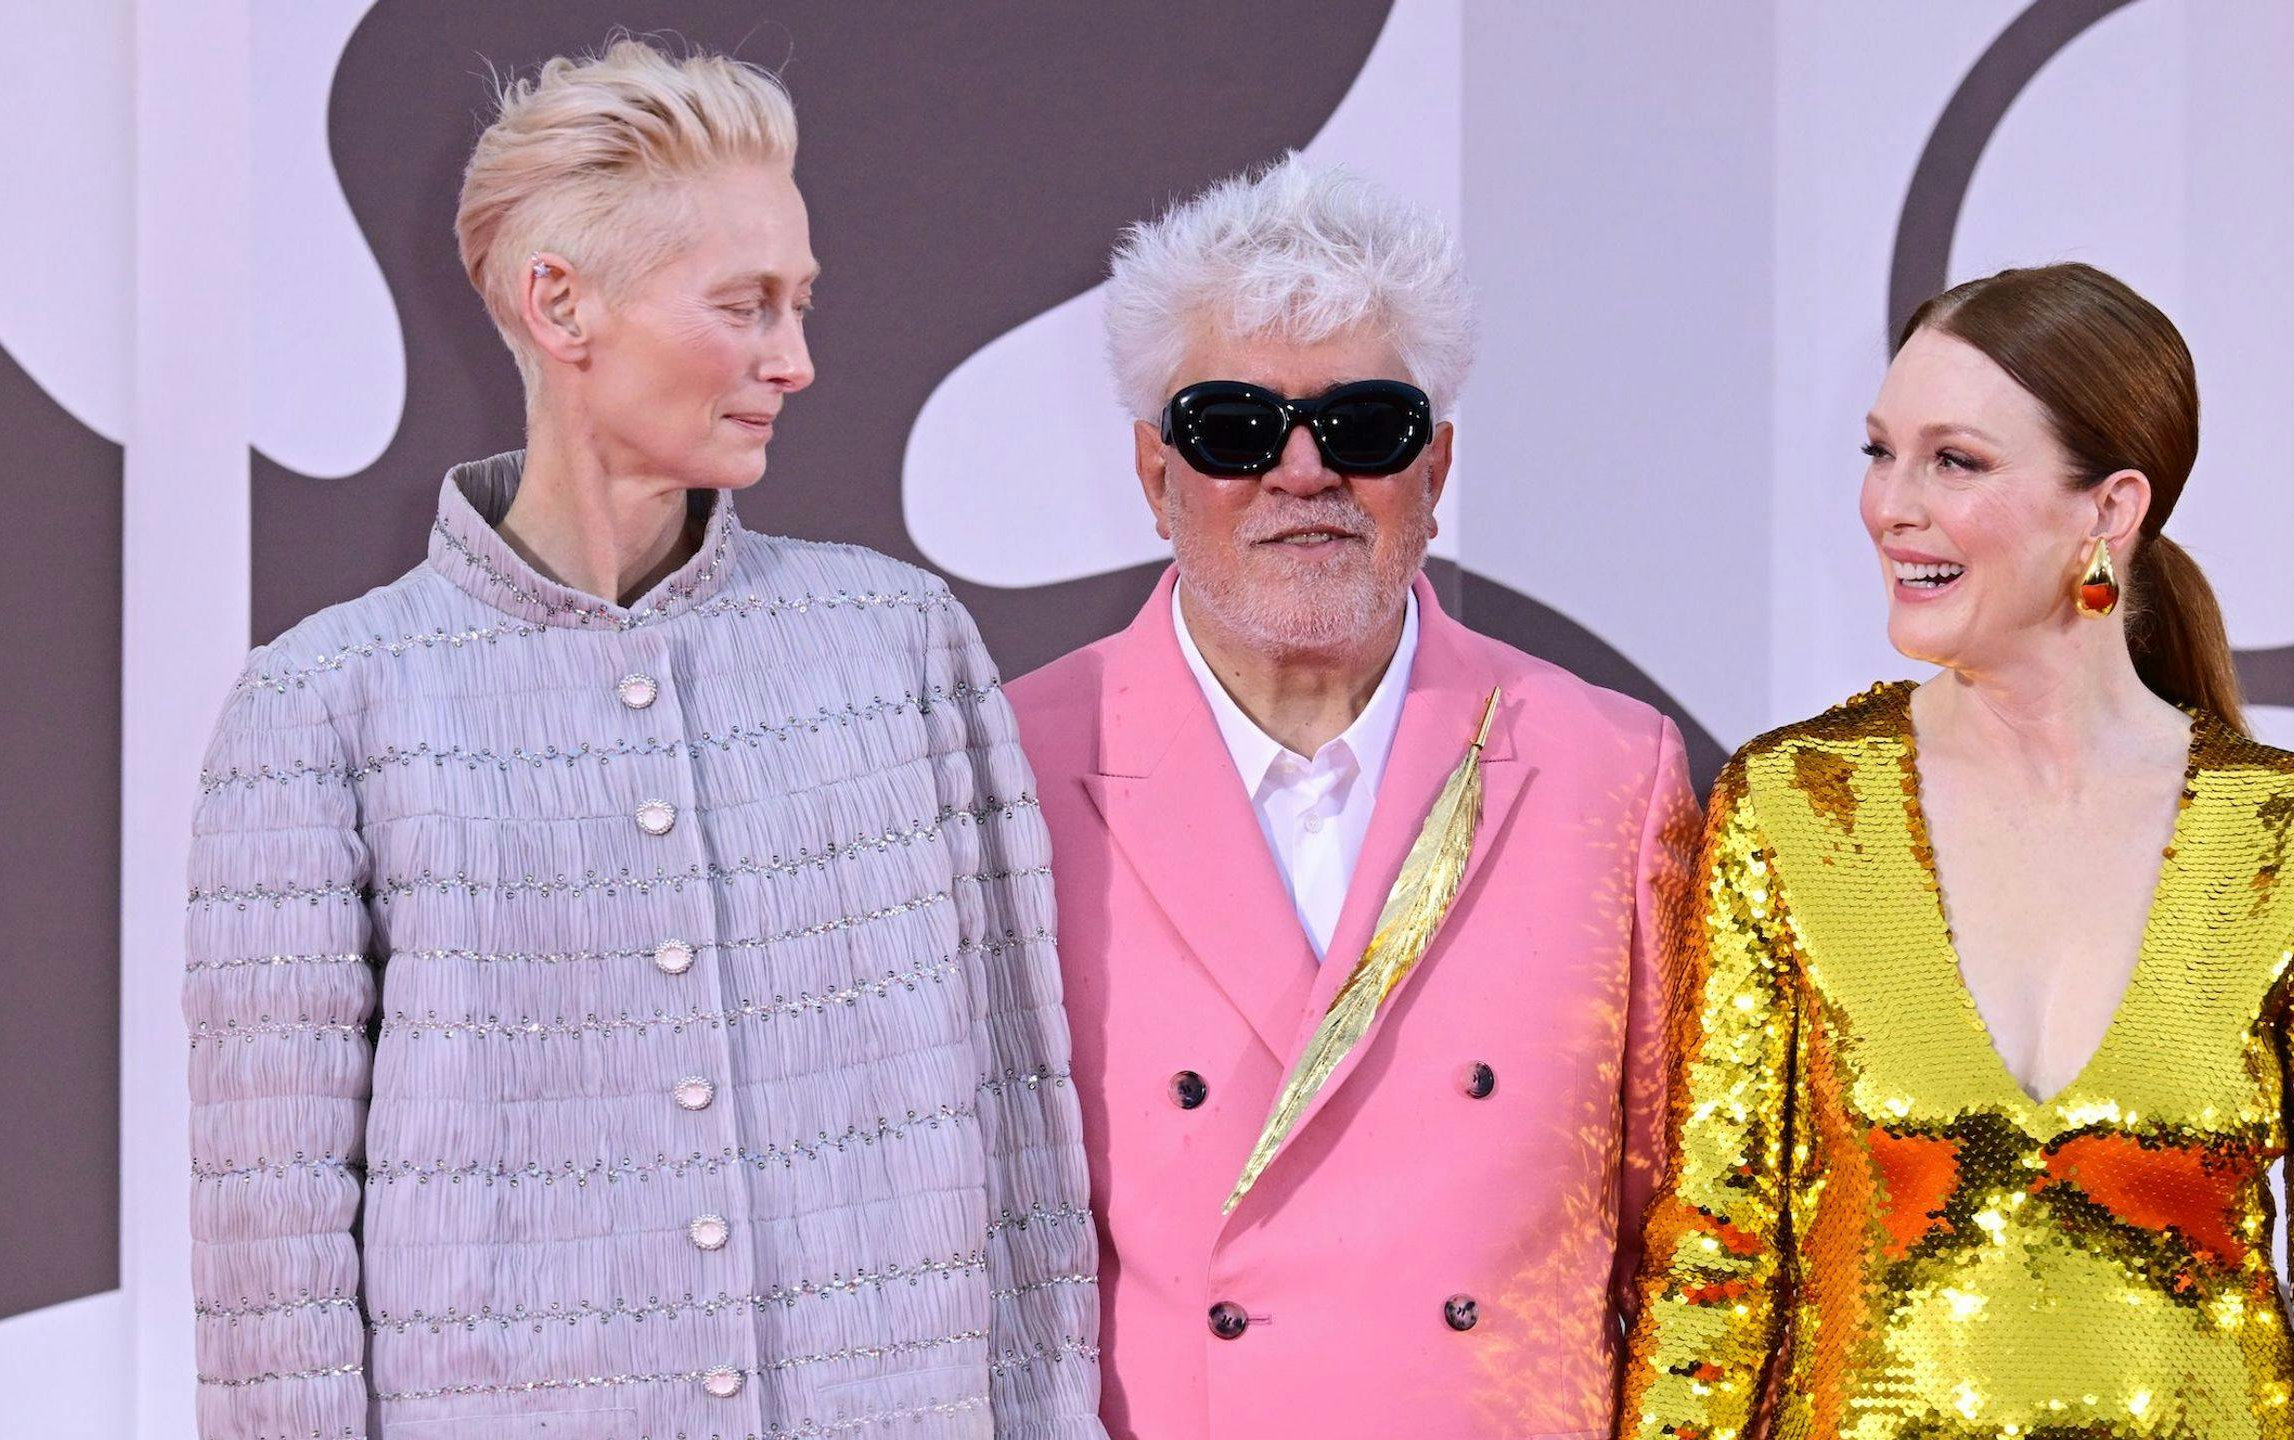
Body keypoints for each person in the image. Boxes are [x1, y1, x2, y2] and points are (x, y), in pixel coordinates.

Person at [183, 39, 1104, 1439]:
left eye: (798, 304)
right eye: (744, 306)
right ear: (562, 304)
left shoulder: (902, 650)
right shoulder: (326, 712)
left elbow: (1023, 1136)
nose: (794, 361)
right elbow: (275, 1271)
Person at [1622, 263, 2294, 1439]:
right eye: (1878, 451)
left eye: (1954, 461)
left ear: (2107, 510)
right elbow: (1716, 1258)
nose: (1891, 505)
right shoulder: (1794, 808)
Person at [1005, 154, 1698, 1439]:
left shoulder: (1613, 771)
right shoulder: (1011, 772)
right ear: (1156, 476)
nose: (1305, 472)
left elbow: (1686, 1231)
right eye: (1234, 428)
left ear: (1433, 471)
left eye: (1365, 426)